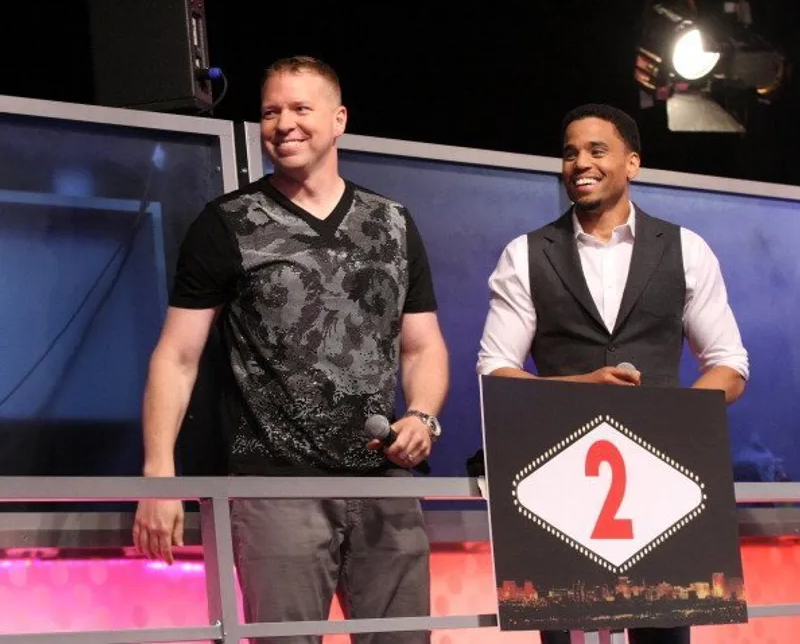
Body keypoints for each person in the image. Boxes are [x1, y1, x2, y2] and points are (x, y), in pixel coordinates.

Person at [132, 55, 449, 644]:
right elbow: (176, 356)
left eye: (301, 109)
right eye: (271, 111)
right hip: (275, 488)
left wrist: (423, 414)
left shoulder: (393, 223)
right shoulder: (227, 223)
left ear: (338, 120)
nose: (284, 124)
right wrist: (159, 476)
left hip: (386, 484)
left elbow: (423, 346)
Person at [476, 103, 749, 644]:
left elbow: (730, 366)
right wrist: (582, 389)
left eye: (597, 150)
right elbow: (495, 375)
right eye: (570, 152)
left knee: (664, 635)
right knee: (568, 635)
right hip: (559, 490)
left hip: (663, 488)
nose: (581, 162)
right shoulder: (524, 255)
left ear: (632, 163)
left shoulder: (685, 249)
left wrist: (672, 422)